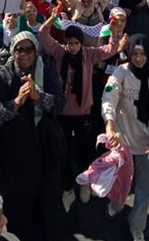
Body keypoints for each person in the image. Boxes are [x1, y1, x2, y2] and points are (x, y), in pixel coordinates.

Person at [0, 31, 65, 241]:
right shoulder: (3, 74)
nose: (23, 55)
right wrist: (17, 103)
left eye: (28, 50)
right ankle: (28, 240)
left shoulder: (46, 69)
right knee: (21, 199)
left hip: (44, 148)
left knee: (48, 200)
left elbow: (60, 103)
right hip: (16, 152)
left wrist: (38, 97)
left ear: (36, 51)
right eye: (18, 50)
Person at [36, 14, 126, 201]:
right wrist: (51, 19)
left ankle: (85, 183)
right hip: (62, 113)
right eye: (70, 43)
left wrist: (115, 33)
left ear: (81, 43)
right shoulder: (59, 52)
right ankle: (67, 187)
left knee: (84, 150)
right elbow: (43, 34)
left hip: (83, 112)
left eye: (76, 43)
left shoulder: (89, 54)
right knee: (64, 151)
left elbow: (109, 50)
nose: (73, 47)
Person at [101, 34, 149, 241]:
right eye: (135, 54)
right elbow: (108, 98)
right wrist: (110, 124)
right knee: (121, 182)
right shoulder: (121, 73)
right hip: (124, 142)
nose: (139, 59)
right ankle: (117, 204)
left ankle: (137, 226)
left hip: (147, 145)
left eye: (143, 54)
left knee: (144, 189)